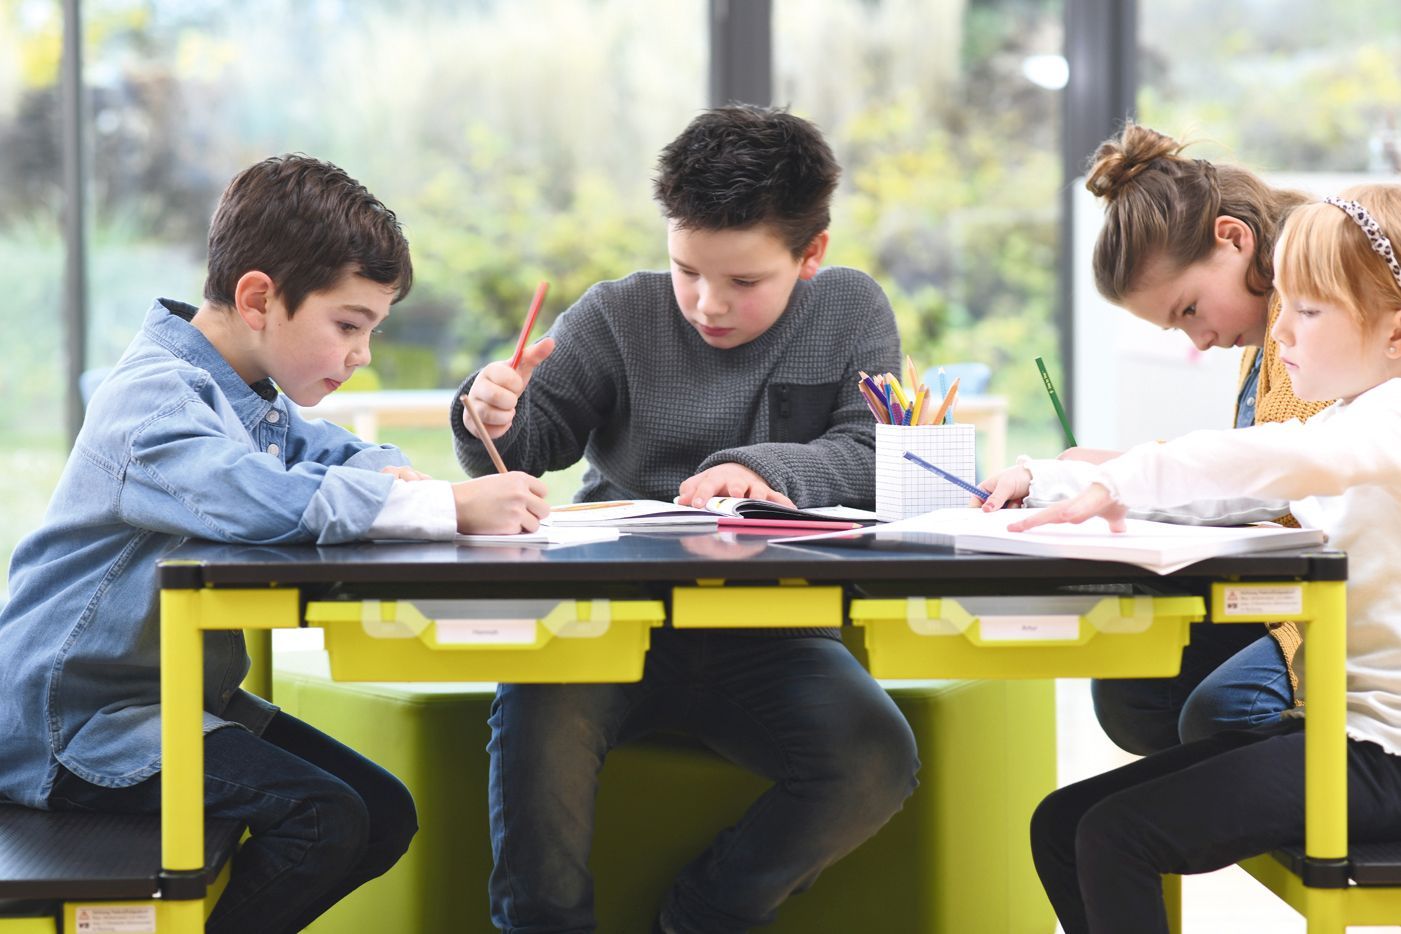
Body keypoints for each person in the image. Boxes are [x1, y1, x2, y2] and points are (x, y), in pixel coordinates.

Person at [0, 154, 550, 934]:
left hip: (177, 701)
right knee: (325, 820)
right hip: (74, 727)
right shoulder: (154, 397)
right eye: (348, 326)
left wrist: (397, 477)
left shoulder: (245, 391)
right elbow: (265, 499)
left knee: (383, 813)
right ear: (259, 298)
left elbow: (326, 455)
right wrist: (444, 505)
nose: (360, 355)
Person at [452, 105, 920, 934]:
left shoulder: (851, 311)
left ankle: (707, 913)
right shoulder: (614, 315)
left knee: (875, 760)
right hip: (606, 615)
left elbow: (875, 454)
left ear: (810, 255)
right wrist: (486, 416)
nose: (707, 304)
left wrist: (761, 469)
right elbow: (531, 445)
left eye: (743, 282)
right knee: (537, 721)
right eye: (686, 270)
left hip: (778, 629)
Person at [1013, 183, 1401, 933]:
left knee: (1113, 835)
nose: (1281, 333)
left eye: (1309, 312)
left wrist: (1118, 477)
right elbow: (1234, 494)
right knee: (1063, 824)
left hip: (1382, 758)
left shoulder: (1387, 421)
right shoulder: (1358, 420)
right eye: (1283, 304)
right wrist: (1057, 481)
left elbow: (1260, 462)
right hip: (1338, 734)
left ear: (1395, 332)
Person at [1060, 122, 1331, 755]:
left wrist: (1092, 475)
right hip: (1293, 583)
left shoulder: (1309, 314)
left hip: (1342, 592)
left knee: (1218, 711)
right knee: (1134, 693)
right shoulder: (1265, 329)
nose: (1199, 340)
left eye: (1189, 310)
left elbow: (1271, 481)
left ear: (1233, 239)